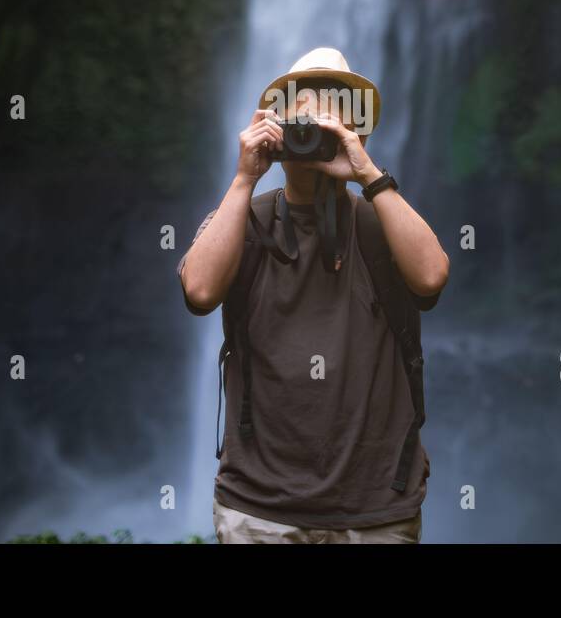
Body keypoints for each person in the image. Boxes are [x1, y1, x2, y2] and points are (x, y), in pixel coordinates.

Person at [178, 47, 450, 543]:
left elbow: (431, 277)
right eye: (300, 120)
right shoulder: (246, 218)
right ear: (275, 129)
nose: (311, 134)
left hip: (376, 508)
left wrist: (368, 175)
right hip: (260, 507)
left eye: (329, 123)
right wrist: (244, 178)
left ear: (356, 133)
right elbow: (198, 291)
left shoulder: (381, 218)